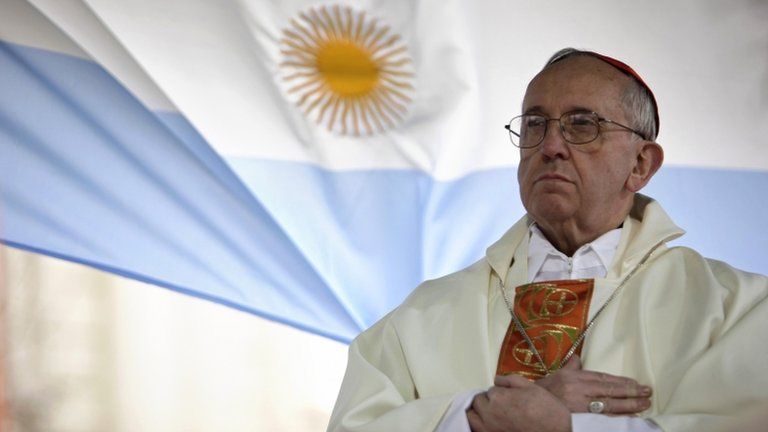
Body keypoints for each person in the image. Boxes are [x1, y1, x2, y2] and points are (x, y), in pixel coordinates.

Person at [327, 48, 768, 432]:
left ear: (641, 164)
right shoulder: (422, 318)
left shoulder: (737, 309)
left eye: (582, 125)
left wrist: (569, 427)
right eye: (535, 125)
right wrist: (476, 415)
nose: (551, 145)